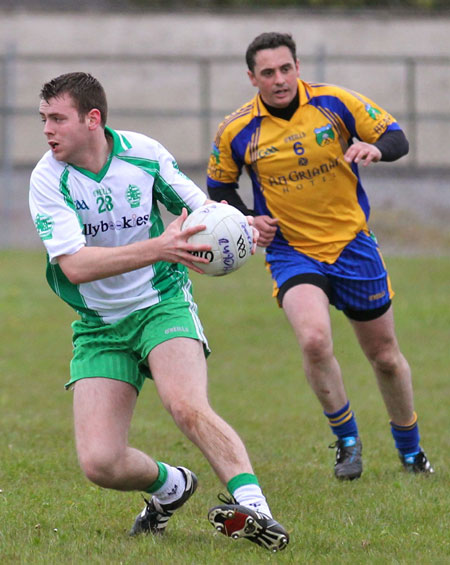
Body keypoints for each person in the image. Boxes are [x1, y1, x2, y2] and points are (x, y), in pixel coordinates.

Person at [29, 72, 289, 553]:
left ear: (93, 119)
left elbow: (199, 209)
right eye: (44, 118)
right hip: (99, 325)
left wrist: (237, 226)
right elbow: (77, 266)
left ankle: (258, 511)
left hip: (160, 303)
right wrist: (160, 246)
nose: (47, 129)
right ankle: (172, 487)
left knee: (186, 406)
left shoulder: (143, 153)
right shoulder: (48, 179)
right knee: (101, 463)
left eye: (57, 119)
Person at [207, 32, 434, 480]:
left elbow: (396, 137)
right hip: (293, 252)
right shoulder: (237, 129)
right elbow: (219, 188)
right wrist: (250, 219)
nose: (279, 79)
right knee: (313, 340)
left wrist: (375, 148)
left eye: (286, 69)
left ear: (297, 67)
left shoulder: (335, 103)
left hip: (352, 243)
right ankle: (347, 441)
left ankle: (410, 450)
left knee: (385, 356)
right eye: (268, 73)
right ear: (252, 78)